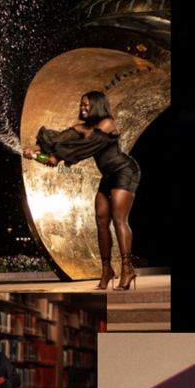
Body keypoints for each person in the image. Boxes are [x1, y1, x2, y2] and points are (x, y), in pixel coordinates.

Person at [23, 90, 141, 291]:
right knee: (101, 220)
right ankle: (106, 271)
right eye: (81, 105)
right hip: (108, 176)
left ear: (97, 105)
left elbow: (85, 147)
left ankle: (127, 268)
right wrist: (35, 151)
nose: (83, 108)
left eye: (87, 105)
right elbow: (61, 138)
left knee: (119, 219)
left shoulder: (107, 123)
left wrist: (56, 156)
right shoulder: (82, 127)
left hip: (124, 171)